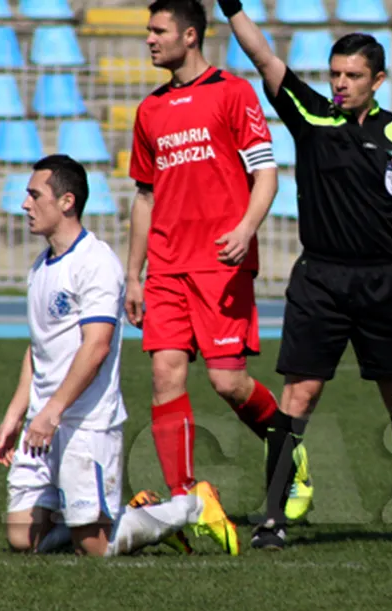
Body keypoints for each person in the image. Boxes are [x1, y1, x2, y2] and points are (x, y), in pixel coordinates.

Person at [219, 0, 392, 549]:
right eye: (335, 74)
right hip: (320, 281)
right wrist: (230, 7)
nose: (340, 84)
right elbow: (262, 56)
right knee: (298, 398)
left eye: (353, 76)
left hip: (381, 282)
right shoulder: (312, 116)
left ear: (377, 80)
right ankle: (273, 519)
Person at [0, 154, 239, 557]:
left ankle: (189, 506)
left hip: (84, 423)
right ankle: (124, 514)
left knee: (96, 548)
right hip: (43, 421)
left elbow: (97, 346)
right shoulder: (40, 266)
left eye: (35, 195)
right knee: (22, 539)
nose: (25, 204)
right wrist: (15, 414)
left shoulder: (97, 263)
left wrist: (53, 411)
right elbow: (37, 348)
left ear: (67, 201)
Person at [125, 0, 313, 522]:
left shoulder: (233, 92)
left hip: (219, 264)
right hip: (165, 266)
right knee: (165, 376)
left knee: (228, 382)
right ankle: (186, 502)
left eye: (158, 30)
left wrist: (245, 229)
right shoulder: (150, 111)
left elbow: (267, 173)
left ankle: (290, 452)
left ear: (189, 36)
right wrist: (132, 276)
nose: (149, 39)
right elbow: (144, 197)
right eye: (148, 30)